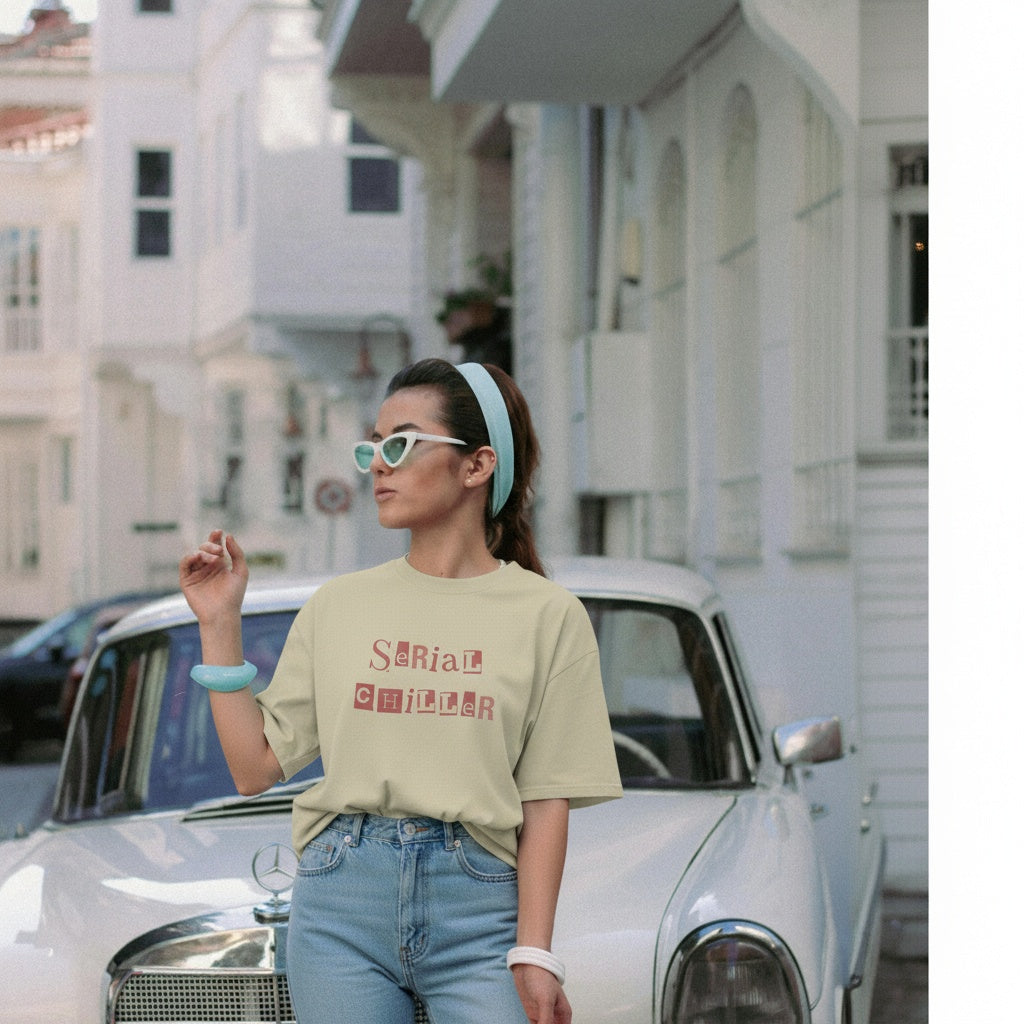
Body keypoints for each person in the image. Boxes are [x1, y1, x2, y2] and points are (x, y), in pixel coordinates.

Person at [178, 358, 622, 1024]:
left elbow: (545, 799)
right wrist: (219, 624)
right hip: (341, 903)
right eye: (373, 447)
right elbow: (254, 767)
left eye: (402, 444)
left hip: (480, 912)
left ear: (476, 465)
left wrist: (535, 951)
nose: (378, 466)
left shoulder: (548, 615)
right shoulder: (339, 605)